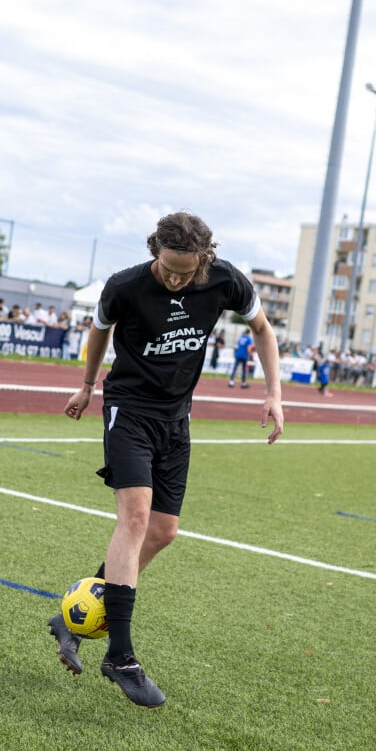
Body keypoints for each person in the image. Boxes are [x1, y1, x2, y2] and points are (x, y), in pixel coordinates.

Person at [48, 211, 284, 708]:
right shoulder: (125, 286)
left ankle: (73, 614)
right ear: (155, 250)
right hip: (129, 411)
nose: (177, 280)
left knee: (163, 532)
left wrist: (273, 394)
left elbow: (263, 329)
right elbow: (99, 331)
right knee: (134, 520)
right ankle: (121, 656)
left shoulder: (224, 281)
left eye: (187, 272)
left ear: (205, 259)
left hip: (177, 419)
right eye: (169, 268)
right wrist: (88, 385)